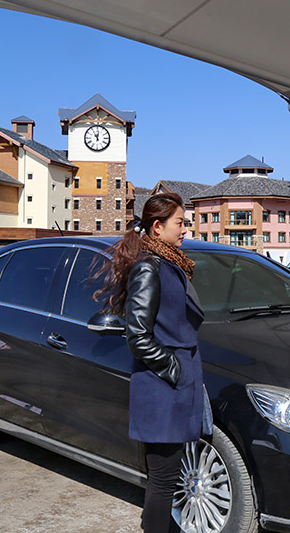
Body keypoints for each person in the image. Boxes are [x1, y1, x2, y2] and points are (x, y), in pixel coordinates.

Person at [97, 192, 209, 533]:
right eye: (180, 223)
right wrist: (173, 369)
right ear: (158, 227)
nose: (186, 229)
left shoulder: (170, 264)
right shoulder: (150, 267)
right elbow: (138, 337)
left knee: (167, 478)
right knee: (163, 479)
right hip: (163, 388)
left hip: (175, 385)